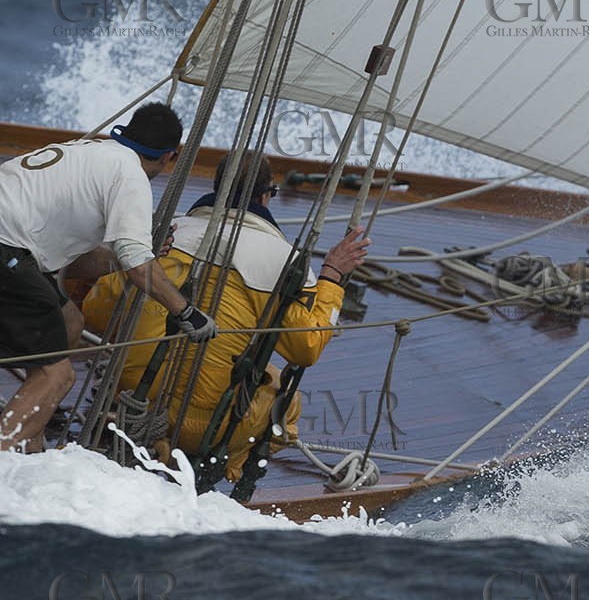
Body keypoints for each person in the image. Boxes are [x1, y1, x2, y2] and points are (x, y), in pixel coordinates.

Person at [82, 151, 369, 479]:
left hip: (137, 400)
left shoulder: (160, 235)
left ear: (216, 186)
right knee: (285, 399)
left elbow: (95, 313)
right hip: (209, 428)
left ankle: (151, 444)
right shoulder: (284, 262)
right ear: (265, 196)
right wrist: (331, 276)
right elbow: (305, 350)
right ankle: (225, 467)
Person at [0, 103, 216, 452]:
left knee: (69, 321)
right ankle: (4, 456)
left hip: (12, 249)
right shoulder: (130, 175)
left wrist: (127, 257)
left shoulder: (90, 151)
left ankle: (33, 435)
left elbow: (80, 261)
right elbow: (136, 263)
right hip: (6, 249)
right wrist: (186, 312)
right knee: (60, 375)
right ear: (169, 156)